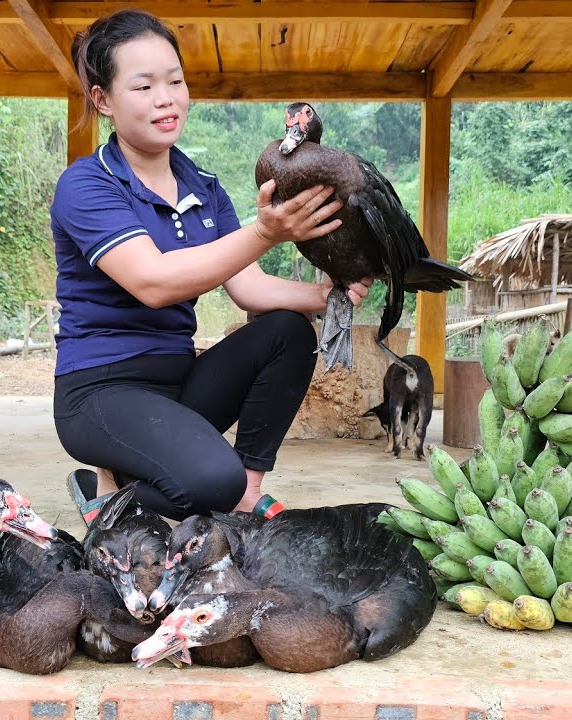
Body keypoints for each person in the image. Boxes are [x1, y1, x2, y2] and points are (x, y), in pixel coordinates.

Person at [51, 9, 373, 524]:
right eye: (144, 86)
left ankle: (244, 491)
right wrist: (266, 231)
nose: (166, 98)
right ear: (103, 100)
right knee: (207, 483)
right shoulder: (87, 184)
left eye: (175, 81)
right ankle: (105, 488)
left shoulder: (203, 186)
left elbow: (247, 286)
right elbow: (152, 283)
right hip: (100, 391)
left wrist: (331, 295)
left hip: (179, 386)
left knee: (289, 332)